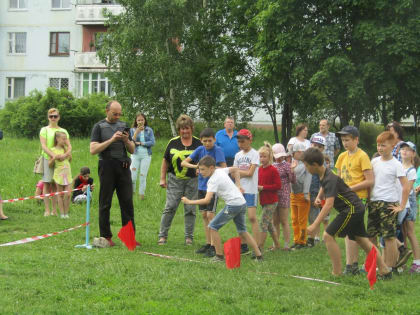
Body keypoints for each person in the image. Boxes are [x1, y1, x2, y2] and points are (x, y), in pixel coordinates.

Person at [304, 148, 391, 278]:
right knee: (362, 241)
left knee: (328, 236)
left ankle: (337, 272)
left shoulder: (330, 178)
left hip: (351, 209)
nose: (306, 168)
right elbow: (325, 186)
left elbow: (329, 204)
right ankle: (385, 270)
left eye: (306, 165)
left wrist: (315, 225)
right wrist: (320, 195)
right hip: (356, 207)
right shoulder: (324, 174)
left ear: (315, 165)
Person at [181, 156, 263, 262]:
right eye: (199, 169)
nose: (200, 172)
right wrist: (238, 184)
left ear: (211, 168)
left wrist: (189, 201)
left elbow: (206, 200)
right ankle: (259, 256)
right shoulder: (220, 171)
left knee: (212, 227)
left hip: (233, 205)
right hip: (242, 203)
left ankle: (219, 256)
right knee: (243, 231)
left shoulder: (212, 181)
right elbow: (234, 169)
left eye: (202, 169)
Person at [90, 100, 139, 247]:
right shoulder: (99, 127)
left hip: (123, 167)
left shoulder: (124, 126)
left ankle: (128, 237)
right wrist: (112, 139)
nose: (117, 116)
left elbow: (132, 150)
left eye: (119, 114)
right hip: (106, 166)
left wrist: (125, 140)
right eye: (114, 114)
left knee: (127, 203)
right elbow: (93, 150)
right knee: (105, 203)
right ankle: (106, 237)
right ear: (107, 111)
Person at [368, 131, 410, 270]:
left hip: (388, 203)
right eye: (378, 145)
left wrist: (402, 206)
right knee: (371, 236)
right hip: (374, 202)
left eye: (383, 145)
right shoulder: (374, 161)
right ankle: (376, 264)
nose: (380, 148)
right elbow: (370, 181)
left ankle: (389, 268)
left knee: (389, 237)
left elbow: (406, 186)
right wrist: (368, 198)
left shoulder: (396, 164)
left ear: (392, 146)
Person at [334, 126, 374, 275]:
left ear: (356, 140)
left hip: (358, 198)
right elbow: (338, 178)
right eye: (343, 140)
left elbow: (370, 180)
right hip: (345, 198)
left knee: (351, 231)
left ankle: (351, 266)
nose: (345, 143)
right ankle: (354, 265)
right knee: (354, 233)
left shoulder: (362, 156)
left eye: (348, 140)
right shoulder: (342, 156)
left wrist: (350, 189)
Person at [181, 128, 226, 256]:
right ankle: (208, 243)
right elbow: (184, 163)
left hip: (212, 187)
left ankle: (214, 246)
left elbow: (224, 167)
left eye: (209, 141)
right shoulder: (200, 150)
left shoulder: (217, 150)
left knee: (211, 216)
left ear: (214, 140)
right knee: (204, 216)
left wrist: (208, 169)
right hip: (201, 186)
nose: (207, 143)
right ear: (201, 141)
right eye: (204, 141)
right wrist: (197, 167)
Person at [158, 114, 202, 245]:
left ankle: (189, 237)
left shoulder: (198, 143)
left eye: (187, 128)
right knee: (170, 207)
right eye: (182, 129)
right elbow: (165, 161)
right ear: (179, 129)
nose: (184, 131)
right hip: (174, 180)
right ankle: (162, 236)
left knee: (190, 209)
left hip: (193, 181)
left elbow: (204, 162)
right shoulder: (173, 142)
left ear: (191, 128)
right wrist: (162, 178)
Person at [39, 108, 71, 217]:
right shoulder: (44, 130)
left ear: (59, 117)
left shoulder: (64, 131)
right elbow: (43, 146)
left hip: (61, 161)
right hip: (48, 158)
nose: (53, 118)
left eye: (55, 116)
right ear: (48, 117)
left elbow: (67, 145)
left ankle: (55, 210)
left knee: (56, 185)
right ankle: (47, 210)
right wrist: (53, 155)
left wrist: (65, 155)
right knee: (47, 183)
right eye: (51, 116)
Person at [233, 129, 259, 254]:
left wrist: (238, 172)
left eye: (243, 141)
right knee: (239, 218)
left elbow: (250, 173)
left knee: (252, 217)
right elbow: (234, 173)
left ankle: (256, 246)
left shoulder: (254, 154)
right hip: (239, 190)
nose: (240, 144)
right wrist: (237, 174)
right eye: (238, 142)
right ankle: (243, 245)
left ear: (250, 140)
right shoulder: (238, 155)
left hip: (251, 190)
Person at [395, 142, 418, 271]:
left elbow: (408, 188)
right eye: (403, 149)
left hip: (409, 202)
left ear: (413, 154)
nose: (405, 151)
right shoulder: (398, 166)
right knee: (401, 232)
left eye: (408, 150)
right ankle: (402, 262)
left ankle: (417, 262)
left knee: (410, 232)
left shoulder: (412, 170)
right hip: (400, 201)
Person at [257, 142, 282, 251]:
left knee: (263, 223)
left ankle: (259, 247)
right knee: (269, 225)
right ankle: (277, 245)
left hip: (272, 201)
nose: (262, 159)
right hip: (263, 200)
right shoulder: (259, 169)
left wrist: (263, 187)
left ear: (270, 157)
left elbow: (278, 186)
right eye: (260, 156)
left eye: (264, 156)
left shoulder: (273, 170)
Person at [272, 143, 295, 250]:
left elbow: (293, 180)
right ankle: (275, 244)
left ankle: (286, 244)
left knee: (284, 220)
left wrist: (292, 170)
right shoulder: (272, 165)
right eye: (277, 156)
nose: (280, 158)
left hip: (284, 194)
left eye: (281, 156)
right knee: (275, 221)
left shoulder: (287, 165)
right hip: (273, 194)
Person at [306, 135, 328, 247]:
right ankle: (309, 236)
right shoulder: (307, 159)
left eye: (319, 146)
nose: (316, 148)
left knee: (316, 215)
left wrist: (321, 195)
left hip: (317, 192)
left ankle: (311, 238)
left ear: (323, 149)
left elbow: (324, 180)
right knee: (308, 214)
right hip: (306, 190)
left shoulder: (322, 162)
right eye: (314, 145)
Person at [290, 142, 312, 249]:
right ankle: (296, 240)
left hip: (302, 195)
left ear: (300, 152)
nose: (292, 154)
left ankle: (302, 241)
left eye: (293, 152)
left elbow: (308, 179)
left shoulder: (306, 165)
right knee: (294, 219)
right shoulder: (293, 162)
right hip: (293, 194)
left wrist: (306, 193)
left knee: (302, 219)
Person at [130, 113, 155, 200]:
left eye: (142, 120)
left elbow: (152, 142)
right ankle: (131, 194)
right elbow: (131, 142)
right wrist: (137, 132)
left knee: (142, 176)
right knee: (132, 177)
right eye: (138, 120)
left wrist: (141, 143)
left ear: (145, 121)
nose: (140, 122)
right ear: (136, 121)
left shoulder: (149, 130)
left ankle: (141, 196)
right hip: (135, 155)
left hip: (146, 155)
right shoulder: (132, 130)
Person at [49, 131, 72, 218]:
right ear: (57, 139)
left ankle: (66, 213)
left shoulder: (65, 149)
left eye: (66, 139)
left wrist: (69, 156)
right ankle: (62, 214)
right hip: (59, 175)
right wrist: (54, 158)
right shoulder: (53, 150)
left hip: (68, 174)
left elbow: (69, 160)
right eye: (63, 139)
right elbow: (50, 164)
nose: (65, 141)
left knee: (68, 194)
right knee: (60, 194)